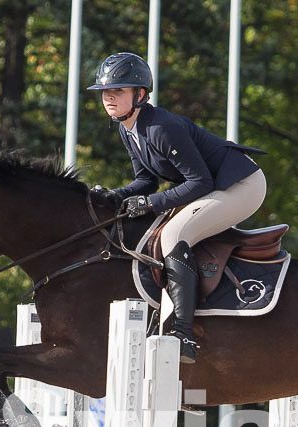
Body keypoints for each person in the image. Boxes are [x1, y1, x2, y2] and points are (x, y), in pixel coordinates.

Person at [87, 52, 266, 364]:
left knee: (173, 234)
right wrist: (114, 196)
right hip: (215, 184)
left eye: (117, 90)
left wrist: (149, 204)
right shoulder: (127, 128)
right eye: (105, 91)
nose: (108, 97)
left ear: (140, 94)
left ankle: (184, 334)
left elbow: (200, 182)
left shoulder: (161, 127)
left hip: (241, 185)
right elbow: (146, 181)